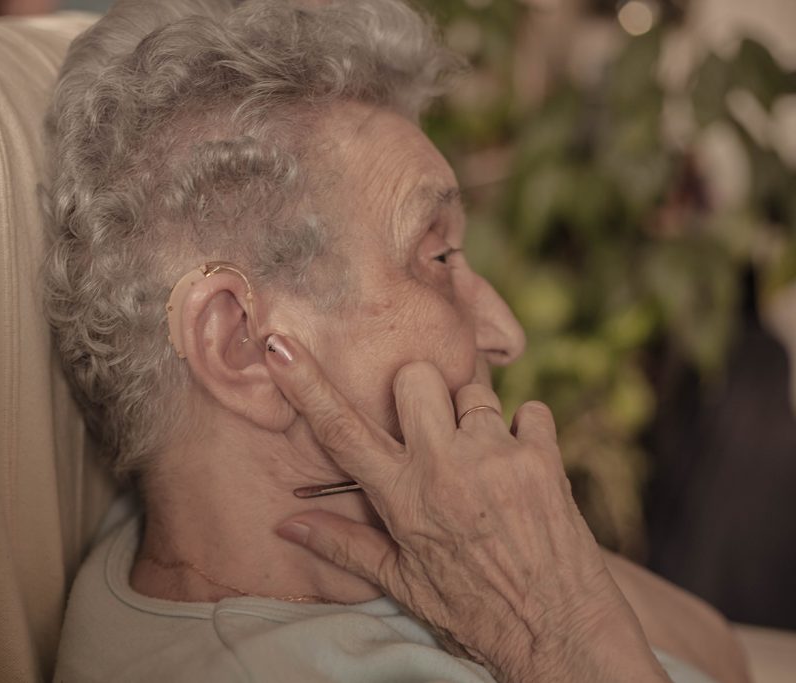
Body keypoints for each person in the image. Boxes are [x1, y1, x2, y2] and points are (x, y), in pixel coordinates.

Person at [44, 0, 748, 681]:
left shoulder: (420, 548)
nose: (505, 333)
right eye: (437, 259)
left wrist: (530, 556)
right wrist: (559, 632)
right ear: (241, 344)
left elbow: (721, 655)